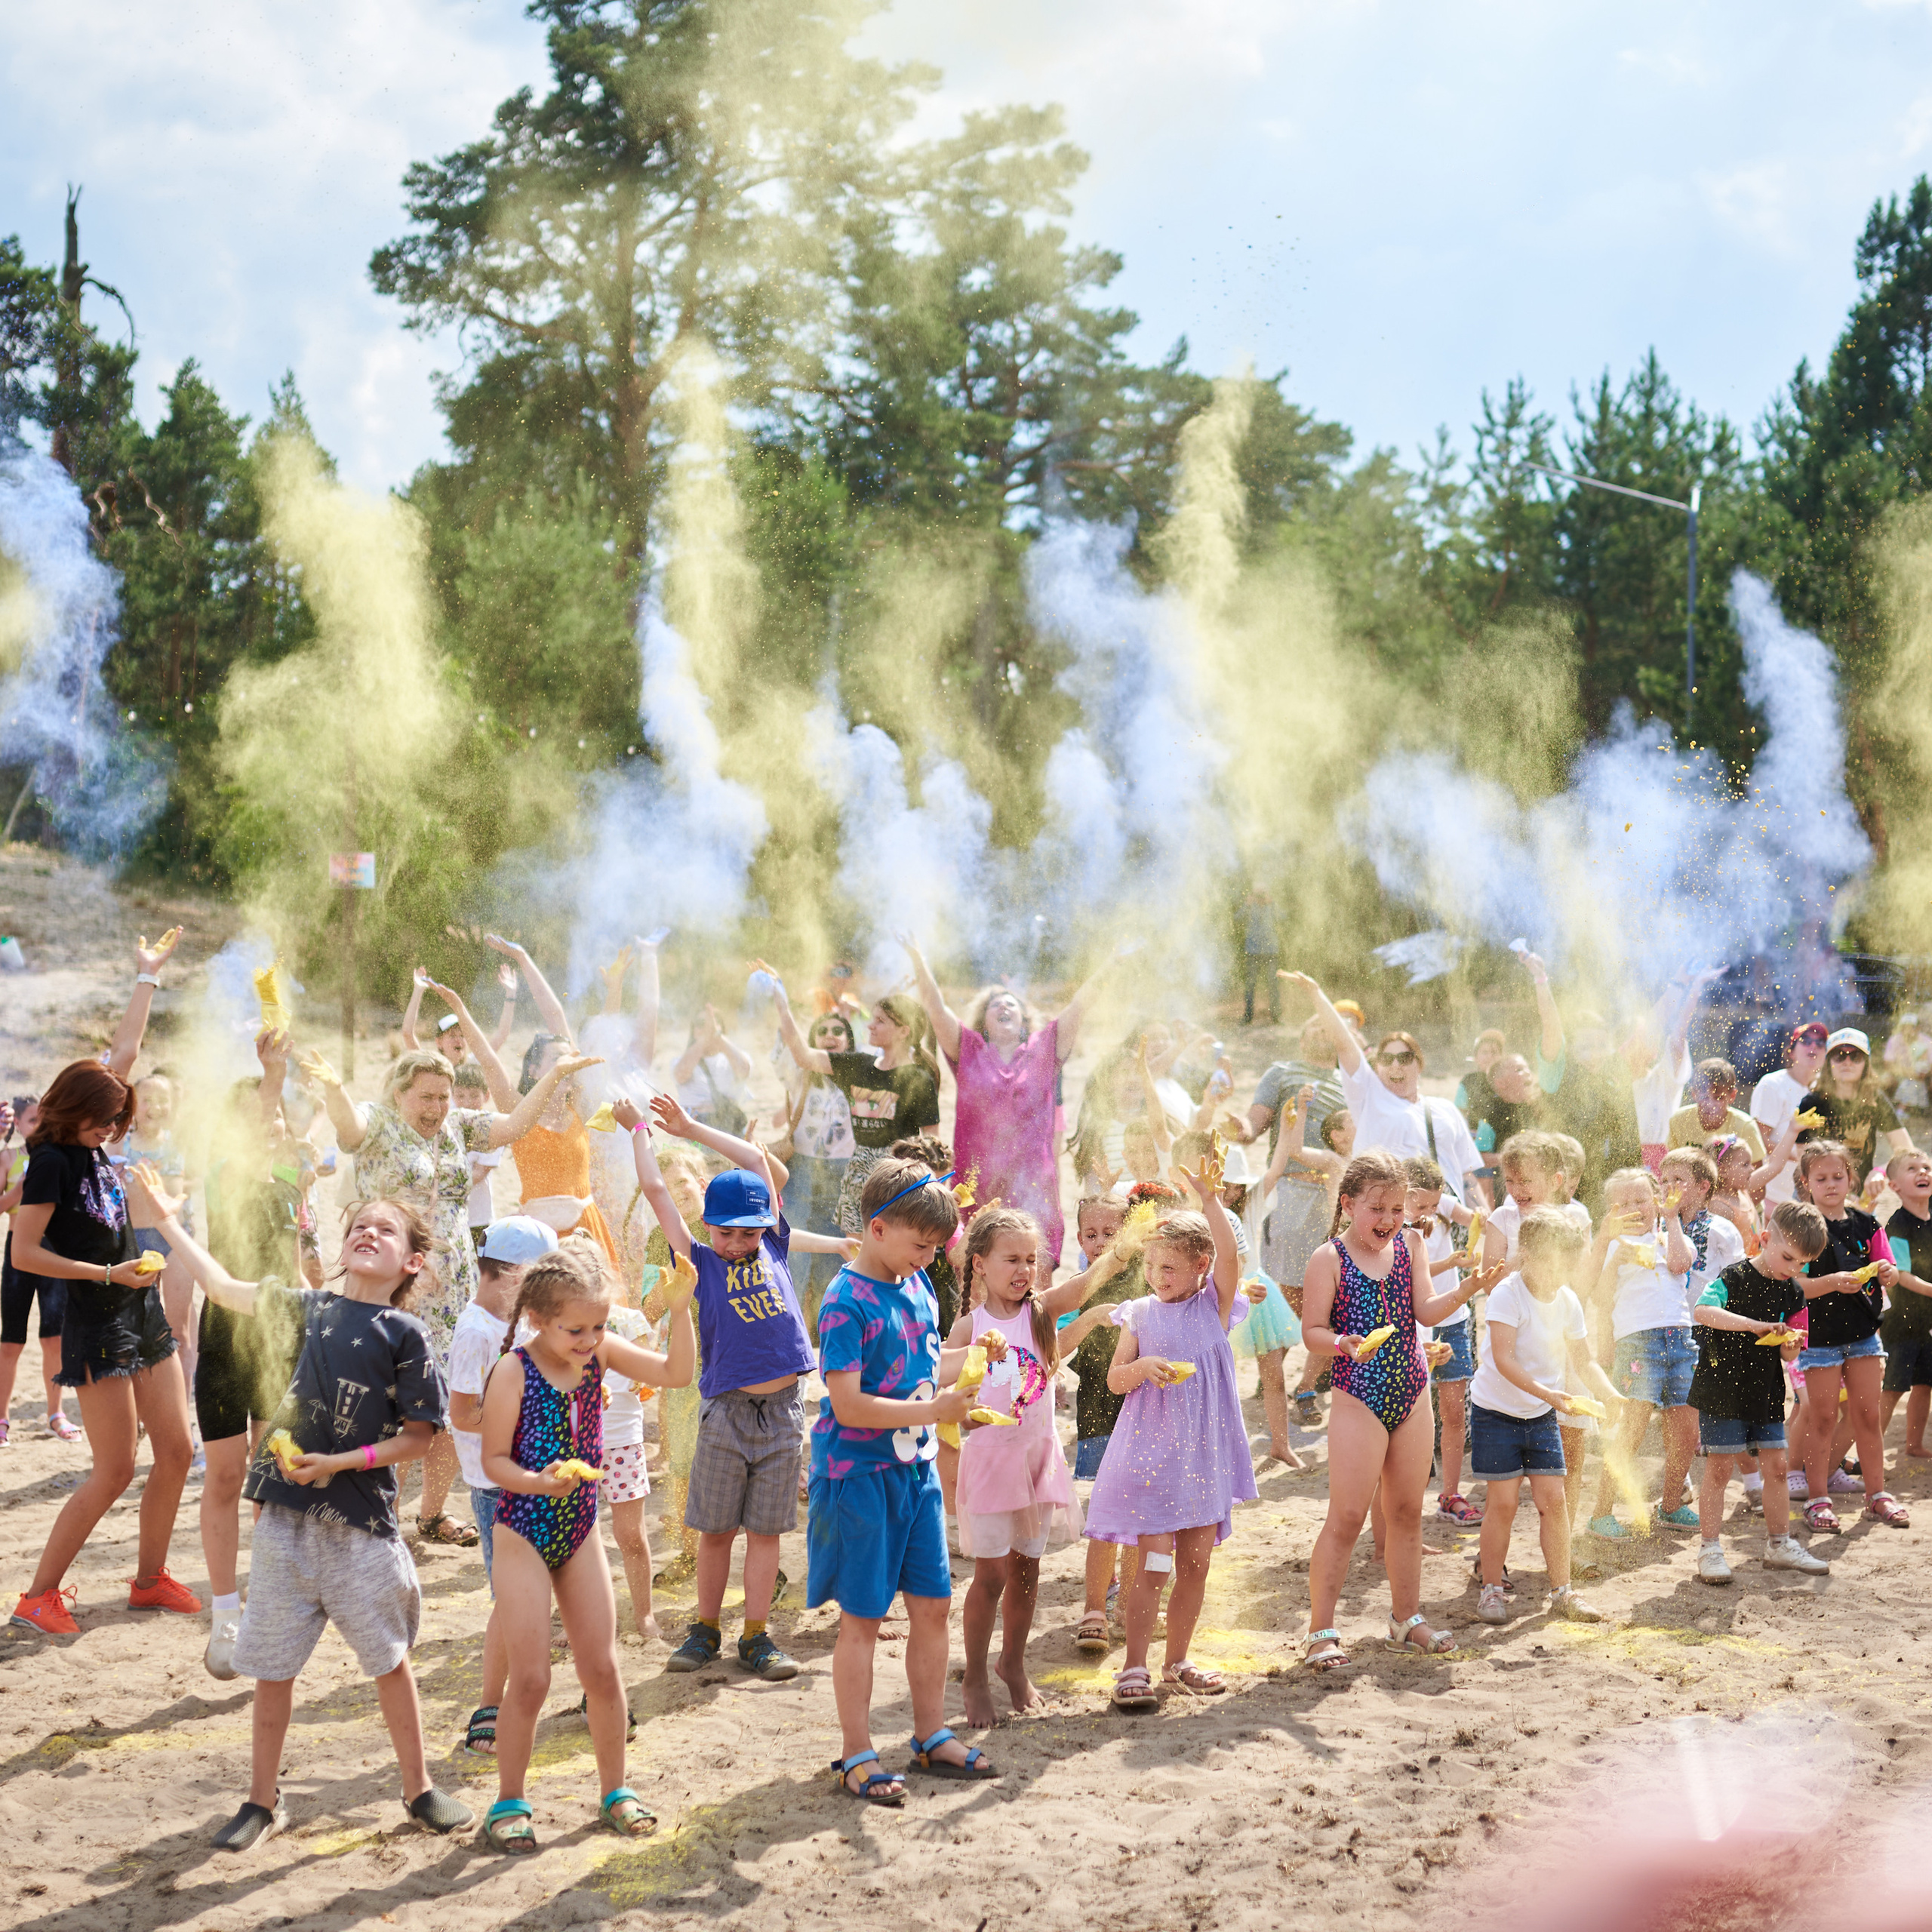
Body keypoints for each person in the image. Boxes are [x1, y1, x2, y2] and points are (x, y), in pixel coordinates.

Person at [139, 1190, 475, 1850]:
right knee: (272, 1669)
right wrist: (166, 1220)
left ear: (412, 1262)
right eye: (359, 1226)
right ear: (341, 1246)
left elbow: (421, 1434)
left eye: (386, 1230)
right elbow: (219, 1285)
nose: (369, 1234)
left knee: (390, 1662)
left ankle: (419, 1789)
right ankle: (262, 1802)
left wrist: (342, 1461)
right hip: (286, 1526)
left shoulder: (406, 1335)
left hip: (361, 1531)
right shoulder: (308, 1306)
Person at [306, 1035, 599, 1547]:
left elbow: (515, 1125)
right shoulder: (378, 1122)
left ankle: (431, 1514)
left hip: (455, 1289)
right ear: (400, 1093)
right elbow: (348, 1126)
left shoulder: (459, 1126)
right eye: (427, 1097)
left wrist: (552, 1077)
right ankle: (381, 1520)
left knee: (446, 1407)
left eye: (444, 1096)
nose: (438, 1107)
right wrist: (334, 1090)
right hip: (396, 1291)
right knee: (389, 1411)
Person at [478, 1236, 697, 1851]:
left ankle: (614, 1791)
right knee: (532, 1679)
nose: (589, 1339)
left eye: (599, 1326)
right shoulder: (512, 1371)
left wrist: (680, 1310)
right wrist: (538, 1482)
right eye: (576, 1329)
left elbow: (677, 1374)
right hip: (522, 1528)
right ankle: (509, 1799)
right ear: (538, 1319)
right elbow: (494, 1461)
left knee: (601, 1667)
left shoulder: (599, 1356)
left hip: (578, 1532)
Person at [808, 1158, 994, 1804]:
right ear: (877, 1229)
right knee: (863, 1617)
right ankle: (857, 1753)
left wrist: (975, 1359)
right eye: (919, 1246)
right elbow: (848, 1404)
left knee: (933, 1606)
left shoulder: (914, 1284)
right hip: (859, 1477)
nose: (926, 1259)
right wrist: (933, 1412)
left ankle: (928, 1734)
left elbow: (924, 1365)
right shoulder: (845, 1301)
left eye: (934, 1250)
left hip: (915, 1474)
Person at [624, 1091, 821, 1684]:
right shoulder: (699, 1261)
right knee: (715, 1533)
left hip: (785, 1415)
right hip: (727, 1414)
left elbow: (759, 1165)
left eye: (749, 1233)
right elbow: (659, 1192)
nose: (737, 1243)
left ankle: (756, 1636)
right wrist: (643, 1132)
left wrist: (692, 1126)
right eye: (726, 1232)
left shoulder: (778, 1245)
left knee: (766, 1534)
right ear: (707, 1226)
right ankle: (705, 1628)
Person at [8, 1058, 200, 1633]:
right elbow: (24, 1253)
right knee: (114, 1469)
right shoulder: (49, 1162)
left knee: (177, 1453)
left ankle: (148, 1582)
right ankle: (37, 1598)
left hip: (143, 1316)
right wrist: (107, 1273)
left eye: (120, 1121)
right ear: (77, 1109)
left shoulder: (93, 1152)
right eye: (108, 1120)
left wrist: (158, 1215)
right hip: (98, 1325)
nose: (115, 1130)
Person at [1295, 1150, 1494, 1672]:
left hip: (1412, 1389)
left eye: (1397, 1208)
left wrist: (1468, 1289)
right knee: (1346, 1516)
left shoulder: (1411, 1244)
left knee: (1407, 1513)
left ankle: (1406, 1619)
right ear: (1348, 1204)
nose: (1387, 1220)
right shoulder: (1329, 1258)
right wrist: (1342, 1343)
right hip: (1358, 1392)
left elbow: (1425, 1310)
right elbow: (1311, 1332)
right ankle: (1321, 1631)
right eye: (1375, 1208)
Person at [1083, 1152, 1257, 1709]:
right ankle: (1134, 1665)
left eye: (1170, 1268)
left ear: (1201, 1266)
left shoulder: (1216, 1306)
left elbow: (1230, 1254)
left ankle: (1177, 1661)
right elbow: (1113, 1381)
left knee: (1196, 1567)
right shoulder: (1140, 1314)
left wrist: (1210, 1201)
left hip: (1202, 1464)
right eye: (1153, 1267)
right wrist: (1140, 1370)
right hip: (1153, 1465)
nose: (1158, 1277)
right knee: (1154, 1568)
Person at [197, 1031, 325, 1681]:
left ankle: (271, 1599)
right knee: (224, 1478)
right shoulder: (226, 1172)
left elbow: (299, 1267)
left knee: (275, 1477)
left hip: (284, 1346)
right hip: (225, 1341)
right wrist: (272, 1075)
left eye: (277, 1115)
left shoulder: (286, 1185)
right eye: (261, 1117)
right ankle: (225, 1617)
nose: (272, 1124)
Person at [901, 935, 1115, 1266]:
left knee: (1035, 1284)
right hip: (974, 1185)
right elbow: (935, 1006)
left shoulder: (1046, 1048)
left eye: (1011, 1003)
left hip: (1034, 1187)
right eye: (994, 1005)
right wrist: (918, 957)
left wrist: (1111, 963)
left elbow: (1080, 1006)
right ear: (983, 1021)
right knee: (974, 1281)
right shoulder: (967, 1048)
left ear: (1025, 1020)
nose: (1003, 1006)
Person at [949, 1205, 1085, 1723]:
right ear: (979, 1264)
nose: (1024, 1270)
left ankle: (1013, 1663)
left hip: (1036, 1460)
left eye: (1031, 1259)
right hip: (990, 1467)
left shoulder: (1040, 1315)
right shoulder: (969, 1329)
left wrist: (1121, 1253)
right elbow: (949, 1400)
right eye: (1012, 1259)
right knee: (990, 1576)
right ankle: (977, 1675)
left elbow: (1081, 1290)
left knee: (1029, 1570)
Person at [446, 1214, 560, 1758]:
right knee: (511, 1601)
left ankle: (590, 1693)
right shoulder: (475, 1332)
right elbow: (461, 1413)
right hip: (497, 1488)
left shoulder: (527, 1323)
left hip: (538, 1478)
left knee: (560, 1591)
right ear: (513, 1275)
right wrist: (522, 1423)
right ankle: (490, 1705)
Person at [1469, 1208, 1616, 1626]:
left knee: (1555, 1501)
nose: (1559, 1274)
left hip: (1539, 1414)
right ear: (1526, 1254)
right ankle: (1492, 1589)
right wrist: (1550, 1394)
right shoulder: (1506, 1294)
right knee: (1504, 1503)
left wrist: (1610, 1394)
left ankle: (1563, 1591)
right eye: (1552, 1264)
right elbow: (1503, 1360)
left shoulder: (1568, 1300)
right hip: (1497, 1413)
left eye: (1567, 1266)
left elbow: (1585, 1362)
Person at [1690, 1200, 1833, 1583]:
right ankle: (1710, 1548)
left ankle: (1779, 1544)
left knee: (1778, 1469)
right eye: (1788, 1258)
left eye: (1803, 1264)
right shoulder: (1733, 1277)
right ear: (1764, 1239)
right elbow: (1703, 1312)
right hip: (1721, 1387)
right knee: (1719, 1469)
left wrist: (1789, 1341)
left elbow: (1791, 1353)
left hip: (1766, 1391)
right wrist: (1755, 1325)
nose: (1794, 1269)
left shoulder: (1794, 1294)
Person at [1280, 973, 1486, 1207]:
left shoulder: (1446, 1109)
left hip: (1444, 1229)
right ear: (1376, 1067)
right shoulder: (1370, 1097)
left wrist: (1484, 1219)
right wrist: (1315, 993)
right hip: (1387, 1227)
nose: (1396, 1065)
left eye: (1405, 1057)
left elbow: (1468, 1176)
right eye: (1387, 1059)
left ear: (1419, 1064)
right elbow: (1344, 1045)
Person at [1790, 1140, 1909, 1531]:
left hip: (1863, 1335)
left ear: (1850, 1179)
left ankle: (1877, 1495)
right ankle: (1817, 1499)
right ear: (1806, 1182)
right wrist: (1829, 1282)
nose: (1830, 1184)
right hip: (1819, 1339)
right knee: (1822, 1417)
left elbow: (1887, 1264)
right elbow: (1795, 1287)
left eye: (1838, 1176)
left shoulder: (1867, 1223)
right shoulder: (1801, 1229)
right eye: (1820, 1178)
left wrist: (1888, 1273)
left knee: (1867, 1417)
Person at [1583, 1167, 1699, 1540]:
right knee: (1630, 1430)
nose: (1634, 1208)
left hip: (1681, 1341)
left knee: (1685, 1430)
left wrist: (1670, 1220)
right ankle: (1601, 1514)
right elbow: (1596, 1296)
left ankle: (1670, 1505)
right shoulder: (1612, 1247)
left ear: (1656, 1201)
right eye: (1623, 1203)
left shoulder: (1671, 1239)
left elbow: (1681, 1265)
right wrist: (1613, 1253)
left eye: (1641, 1200)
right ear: (1611, 1211)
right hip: (1638, 1344)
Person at [771, 980, 942, 1234]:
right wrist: (783, 1007)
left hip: (896, 1177)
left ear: (904, 1031)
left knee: (890, 1253)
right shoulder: (859, 1065)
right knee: (855, 1249)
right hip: (857, 1172)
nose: (870, 1025)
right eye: (872, 1019)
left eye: (880, 1021)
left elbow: (932, 1144)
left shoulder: (919, 1079)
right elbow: (804, 1056)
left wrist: (934, 1194)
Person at [1260, 1094, 1355, 1427]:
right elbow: (1297, 1152)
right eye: (1349, 1123)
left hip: (1368, 1244)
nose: (1357, 1124)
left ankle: (1306, 1386)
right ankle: (1303, 1389)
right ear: (1338, 1134)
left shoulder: (1367, 1157)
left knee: (1340, 1323)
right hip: (1340, 1244)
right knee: (1323, 1318)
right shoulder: (1333, 1160)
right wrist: (1301, 1111)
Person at [0, 1093, 82, 1444]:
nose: (40, 1127)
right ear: (17, 1123)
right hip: (18, 1253)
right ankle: (2, 1418)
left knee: (53, 1339)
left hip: (52, 1252)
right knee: (10, 1342)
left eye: (44, 1120)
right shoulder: (7, 1157)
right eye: (33, 1120)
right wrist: (19, 1188)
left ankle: (56, 1414)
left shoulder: (57, 1158)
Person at [772, 1008, 859, 1331]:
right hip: (802, 1171)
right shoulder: (800, 1073)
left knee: (835, 1252)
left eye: (839, 1030)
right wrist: (780, 998)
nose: (830, 1035)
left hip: (844, 1172)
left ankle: (828, 1332)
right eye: (822, 1030)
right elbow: (790, 1045)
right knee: (793, 1250)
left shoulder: (861, 1076)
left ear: (851, 1040)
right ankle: (789, 1328)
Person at [1404, 1155, 1479, 1524]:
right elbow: (1409, 1275)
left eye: (1435, 1204)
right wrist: (1451, 1263)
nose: (1430, 1211)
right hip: (1415, 1326)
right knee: (1415, 1418)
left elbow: (1476, 1219)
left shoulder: (1439, 1205)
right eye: (1421, 1205)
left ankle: (1450, 1493)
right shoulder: (1392, 1227)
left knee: (1453, 1412)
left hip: (1452, 1319)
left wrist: (1481, 1231)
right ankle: (1408, 1505)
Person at [1801, 1027, 1912, 1190]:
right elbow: (1802, 1160)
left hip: (1862, 1196)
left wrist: (1880, 1171)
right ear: (1828, 1063)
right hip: (1819, 1196)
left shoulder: (1876, 1100)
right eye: (1839, 1056)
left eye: (1856, 1056)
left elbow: (1906, 1149)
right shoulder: (1812, 1103)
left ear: (1865, 1064)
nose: (1847, 1062)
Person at [1879, 1146, 1932, 1457]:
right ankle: (1872, 1448)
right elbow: (1901, 1274)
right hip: (1902, 1322)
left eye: (1926, 1167)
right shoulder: (1898, 1225)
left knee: (1925, 1384)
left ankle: (1914, 1444)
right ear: (1895, 1186)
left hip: (1927, 1321)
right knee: (1895, 1387)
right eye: (1912, 1169)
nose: (1922, 1172)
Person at [1751, 1022, 1830, 1208]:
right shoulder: (1772, 1084)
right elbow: (1759, 1140)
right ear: (1791, 1052)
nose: (1813, 1046)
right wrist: (1803, 1156)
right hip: (1773, 1195)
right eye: (1806, 1041)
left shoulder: (1826, 1090)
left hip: (1813, 1198)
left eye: (1820, 1044)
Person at [673, 1004, 755, 1136]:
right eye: (701, 1023)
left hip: (730, 1126)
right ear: (693, 1030)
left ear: (721, 1026)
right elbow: (681, 1075)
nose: (707, 1028)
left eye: (713, 1021)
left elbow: (743, 1071)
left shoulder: (735, 1057)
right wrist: (705, 1038)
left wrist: (717, 1036)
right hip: (695, 1128)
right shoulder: (680, 1061)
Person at [1666, 1060, 1767, 1162]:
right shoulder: (1679, 1120)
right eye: (1705, 1097)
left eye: (1718, 1098)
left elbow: (1755, 1172)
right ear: (1694, 1094)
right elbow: (1672, 1164)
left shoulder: (1745, 1127)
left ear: (1732, 1096)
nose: (1710, 1104)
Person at [1239, 886, 1281, 1025]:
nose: (1261, 898)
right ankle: (1248, 1016)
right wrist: (1247, 904)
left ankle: (1276, 1017)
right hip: (1253, 951)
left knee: (1273, 984)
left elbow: (1283, 917)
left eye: (1263, 895)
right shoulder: (1250, 907)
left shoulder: (1271, 906)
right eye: (1258, 895)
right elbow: (1237, 918)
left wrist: (1273, 903)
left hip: (1271, 951)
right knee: (1250, 985)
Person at [1884, 1012, 1932, 1114]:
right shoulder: (1895, 1040)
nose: (1908, 1030)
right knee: (1887, 1080)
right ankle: (1891, 1107)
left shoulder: (1927, 1041)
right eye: (1905, 1027)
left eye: (1912, 1027)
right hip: (1901, 1073)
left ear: (1918, 1028)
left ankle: (1910, 1108)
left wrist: (1925, 1074)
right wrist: (1906, 1073)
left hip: (1921, 1074)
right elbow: (1888, 1063)